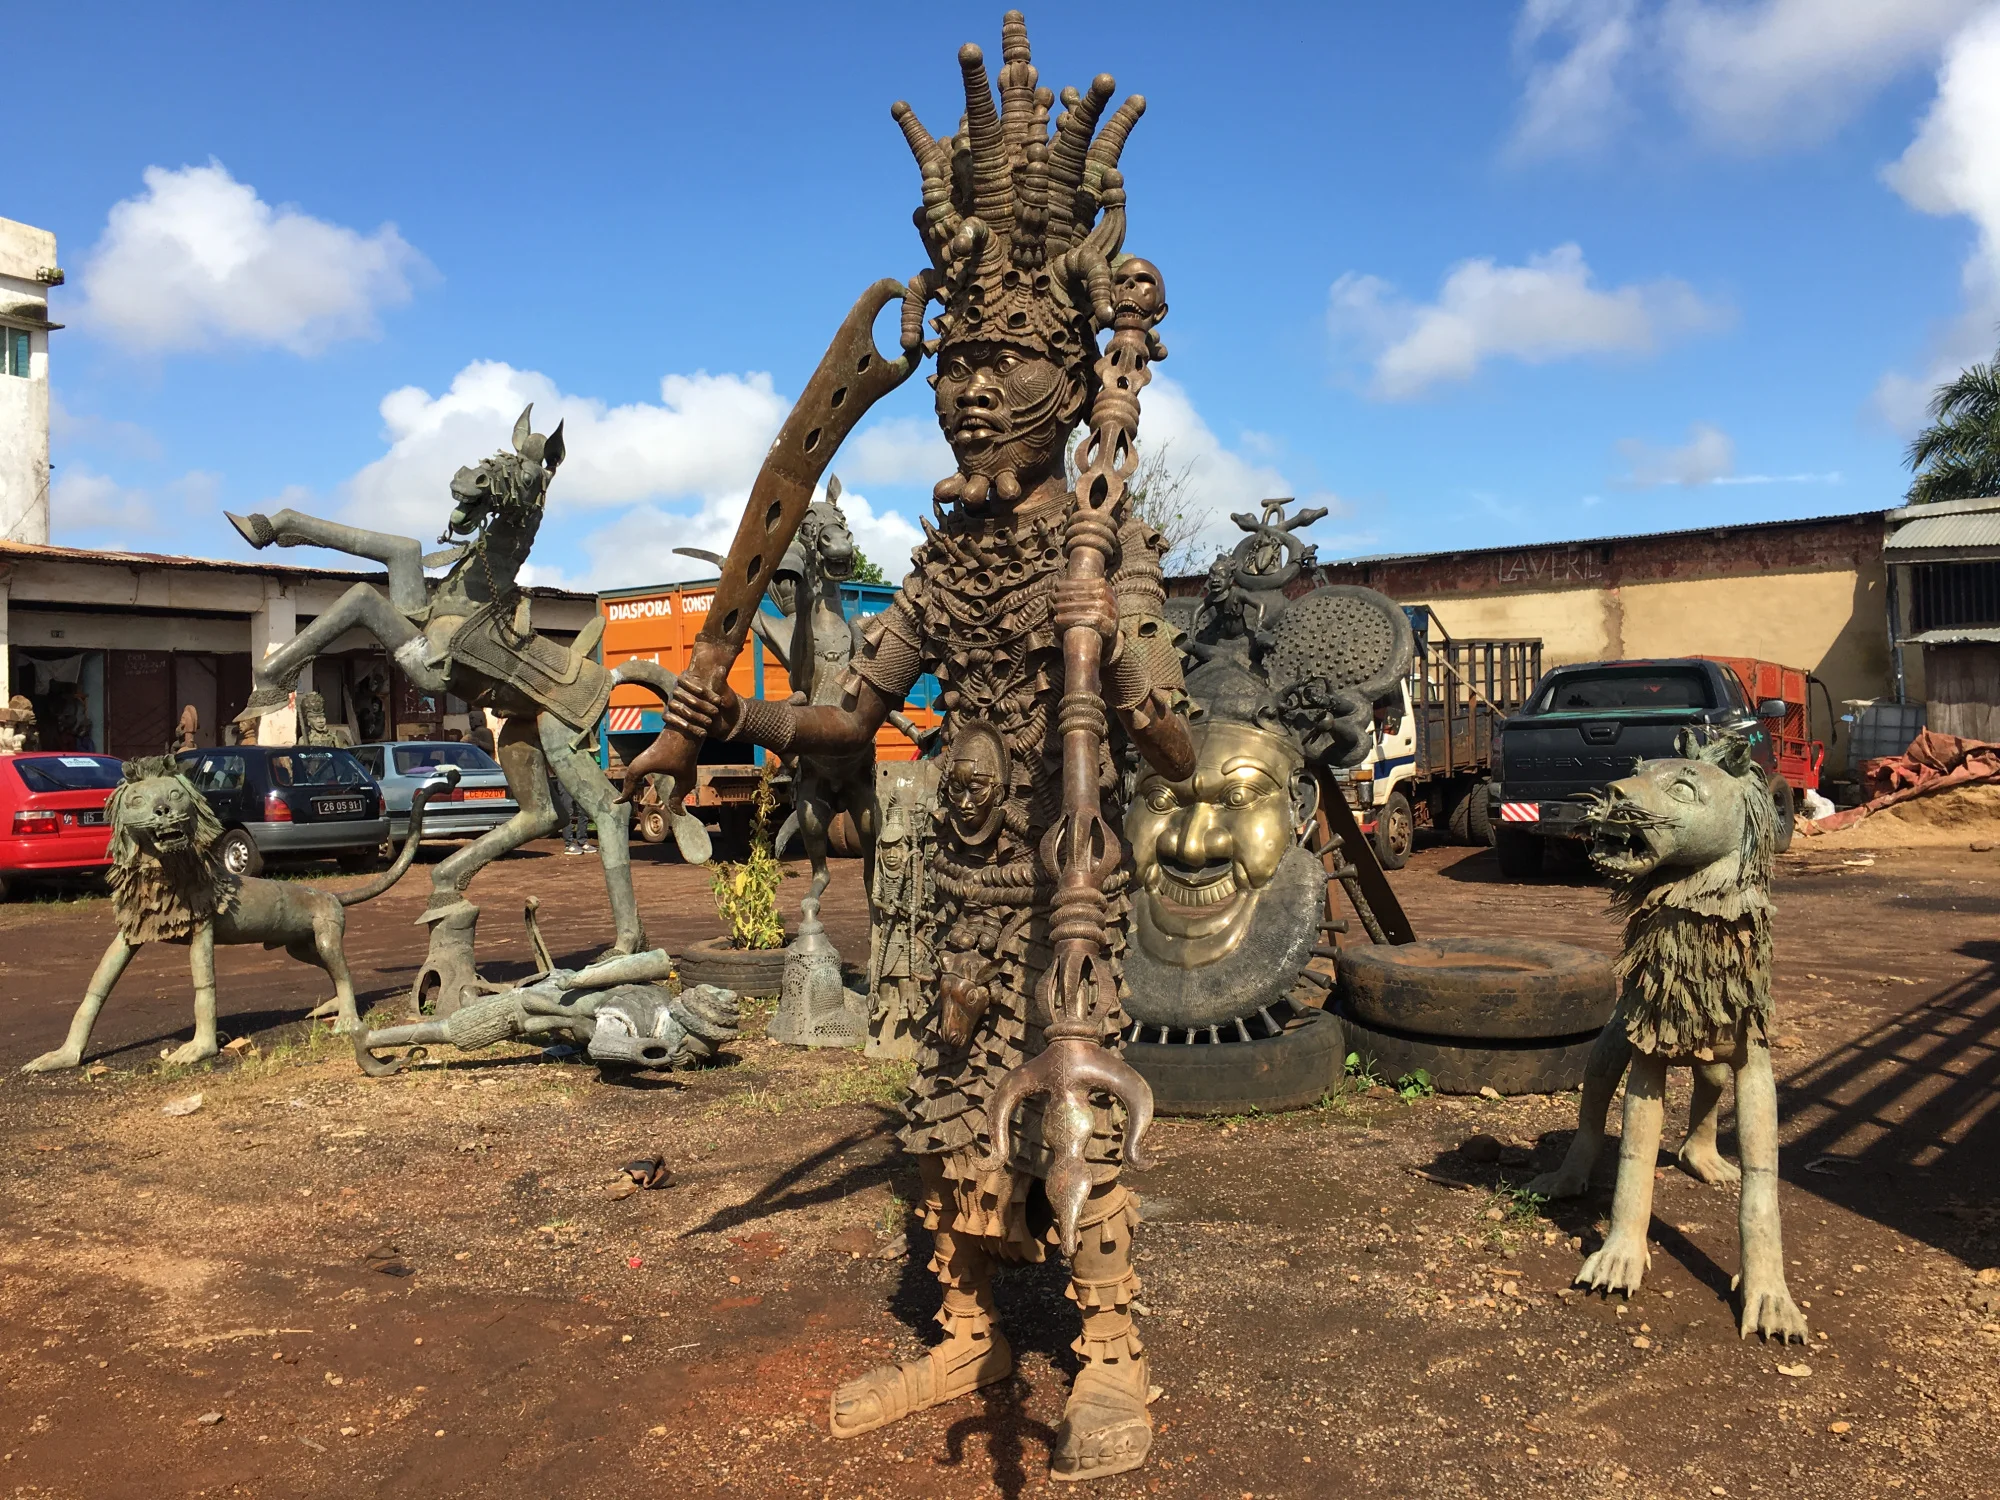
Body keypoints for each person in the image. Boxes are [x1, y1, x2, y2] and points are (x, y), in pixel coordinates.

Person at [651, 18, 1189, 1481]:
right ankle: (959, 1326)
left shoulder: (1106, 539)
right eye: (953, 359)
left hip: (1069, 891)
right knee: (948, 1102)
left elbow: (1179, 751)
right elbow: (848, 719)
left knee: (1075, 1108)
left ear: (1073, 379)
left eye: (1003, 358)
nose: (963, 388)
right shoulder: (944, 568)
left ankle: (1113, 1353)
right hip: (959, 891)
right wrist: (735, 715)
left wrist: (1122, 645)